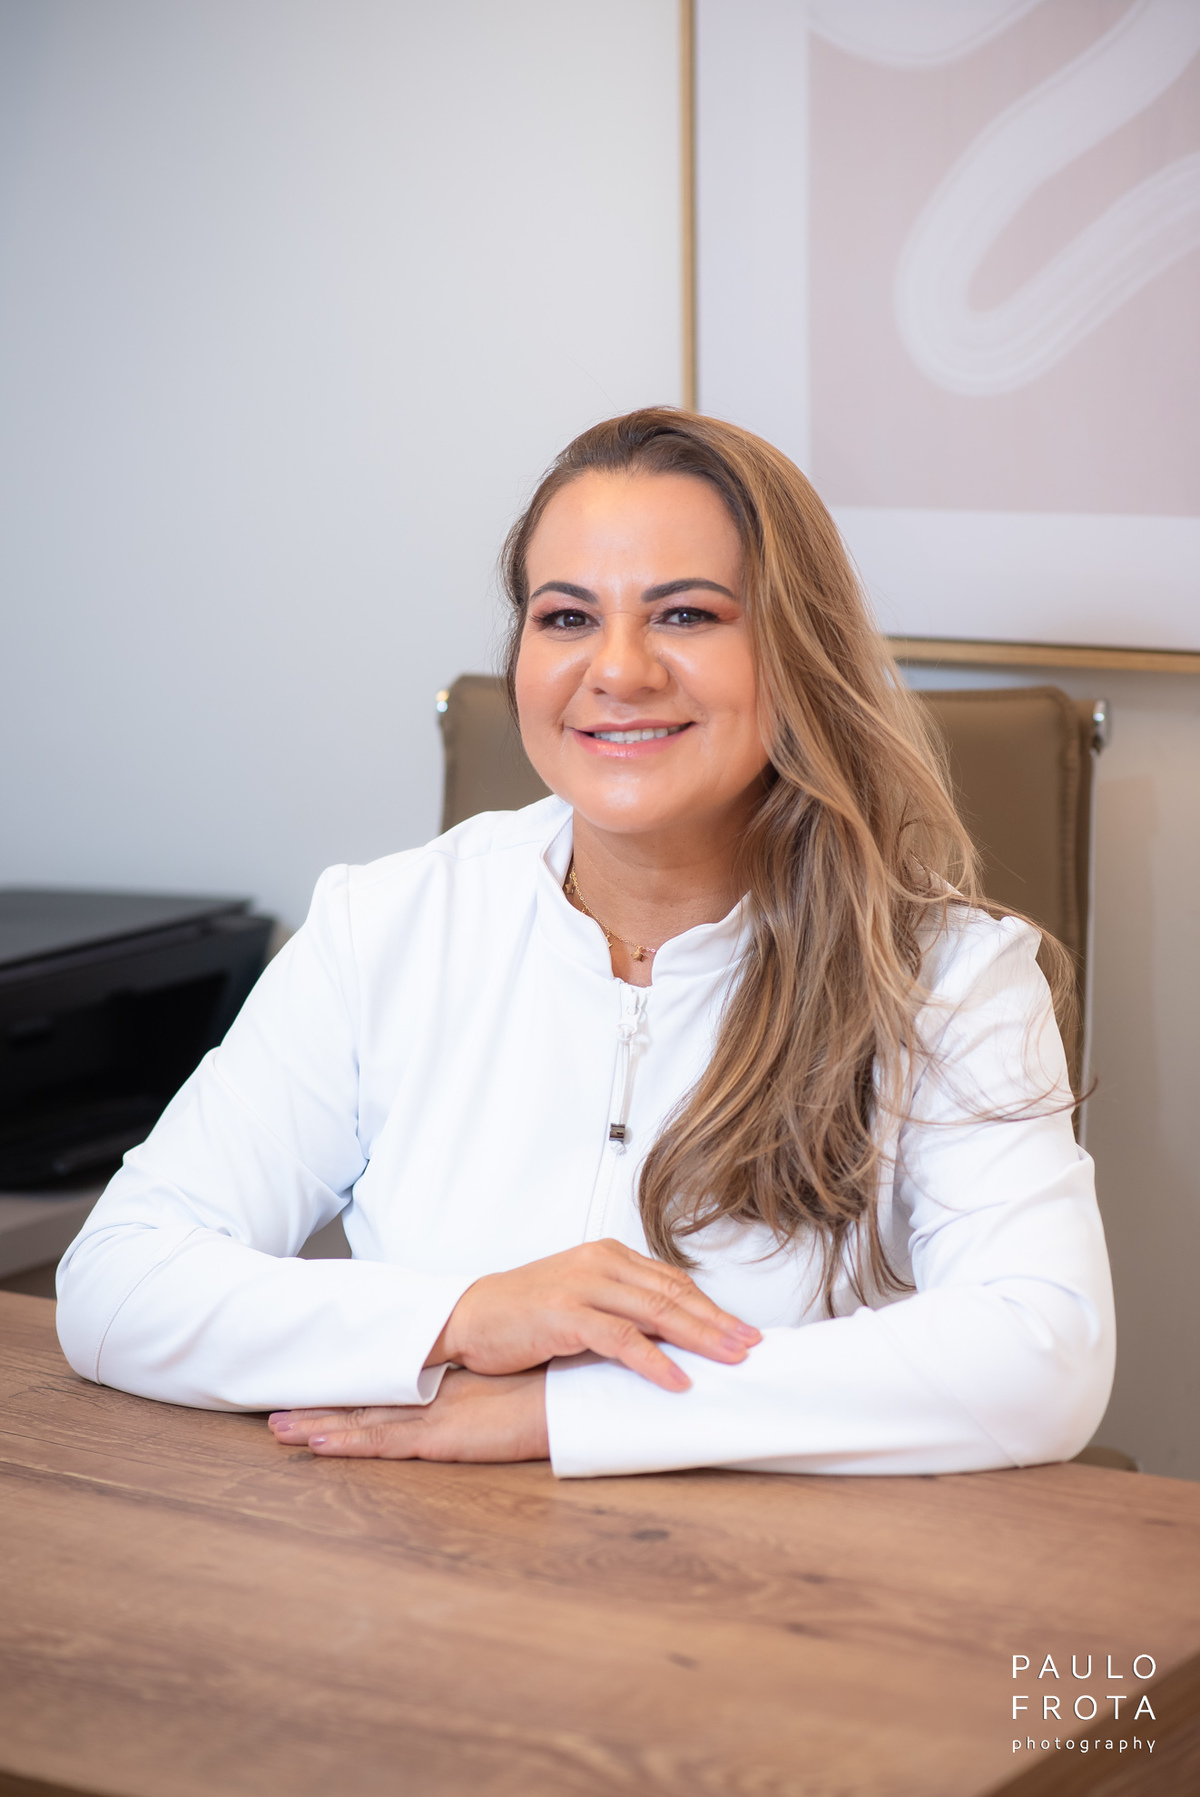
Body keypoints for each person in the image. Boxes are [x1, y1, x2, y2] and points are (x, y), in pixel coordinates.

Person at [55, 409, 1115, 1478]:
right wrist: (464, 1316)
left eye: (686, 614)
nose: (619, 669)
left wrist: (569, 1414)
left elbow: (1043, 1357)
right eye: (566, 617)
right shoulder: (383, 926)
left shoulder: (949, 977)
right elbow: (118, 1281)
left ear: (797, 653)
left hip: (788, 1568)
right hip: (426, 1552)